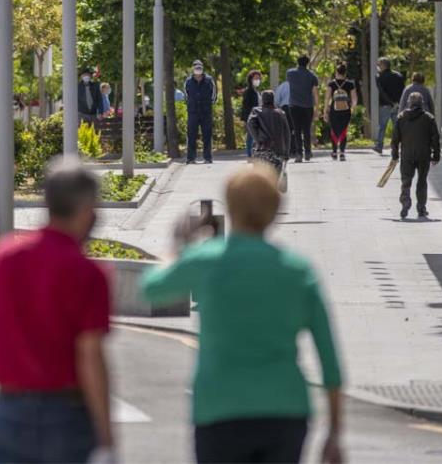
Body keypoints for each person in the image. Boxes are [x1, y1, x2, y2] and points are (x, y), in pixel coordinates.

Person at [140, 165, 344, 464]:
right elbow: (330, 363)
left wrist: (178, 248)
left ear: (231, 209)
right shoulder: (298, 272)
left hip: (220, 410)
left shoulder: (206, 262)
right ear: (275, 211)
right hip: (285, 411)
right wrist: (335, 433)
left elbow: (151, 289)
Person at [0, 157, 115, 463]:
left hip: (8, 411)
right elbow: (90, 356)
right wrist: (106, 437)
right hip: (67, 417)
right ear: (87, 209)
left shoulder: (2, 259)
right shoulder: (89, 273)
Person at [391, 92, 441, 220]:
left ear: (409, 103)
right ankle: (421, 208)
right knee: (422, 181)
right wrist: (436, 156)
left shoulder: (401, 117)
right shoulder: (429, 118)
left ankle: (405, 204)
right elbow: (435, 138)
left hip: (407, 155)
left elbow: (395, 139)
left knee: (406, 181)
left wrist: (395, 155)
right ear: (422, 103)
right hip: (423, 154)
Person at [247, 90, 291, 177]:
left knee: (260, 179)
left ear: (262, 100)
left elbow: (250, 124)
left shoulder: (256, 111)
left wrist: (257, 139)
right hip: (278, 152)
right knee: (274, 180)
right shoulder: (281, 113)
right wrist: (286, 154)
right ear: (273, 100)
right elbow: (287, 135)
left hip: (262, 150)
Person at [286, 55, 320, 163]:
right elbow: (315, 93)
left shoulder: (290, 73)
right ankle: (308, 152)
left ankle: (299, 154)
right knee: (306, 130)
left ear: (297, 62)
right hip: (308, 106)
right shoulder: (312, 76)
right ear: (308, 63)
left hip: (294, 106)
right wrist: (317, 108)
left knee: (296, 130)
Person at [184, 60, 217, 164]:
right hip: (193, 112)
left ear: (202, 68)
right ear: (193, 69)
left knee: (207, 134)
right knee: (191, 135)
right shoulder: (188, 81)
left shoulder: (209, 80)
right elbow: (186, 96)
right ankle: (190, 158)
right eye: (196, 67)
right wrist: (191, 104)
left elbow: (214, 95)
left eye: (199, 67)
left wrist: (208, 104)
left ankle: (208, 158)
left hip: (206, 112)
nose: (198, 69)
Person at [324, 64, 358, 162]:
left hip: (334, 111)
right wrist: (352, 108)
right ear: (345, 73)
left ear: (336, 72)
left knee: (334, 131)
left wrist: (325, 111)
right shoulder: (350, 84)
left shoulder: (331, 84)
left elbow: (327, 98)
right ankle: (342, 153)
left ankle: (334, 152)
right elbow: (354, 98)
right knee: (343, 131)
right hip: (346, 111)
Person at [373, 57, 405, 155]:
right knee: (397, 127)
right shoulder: (398, 75)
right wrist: (398, 103)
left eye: (378, 65)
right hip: (397, 105)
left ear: (383, 65)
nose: (377, 67)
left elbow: (382, 92)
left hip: (385, 105)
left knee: (382, 126)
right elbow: (403, 91)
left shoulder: (379, 76)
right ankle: (396, 147)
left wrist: (390, 102)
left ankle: (379, 146)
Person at [239, 70, 262, 158]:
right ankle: (249, 154)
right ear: (251, 79)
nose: (257, 80)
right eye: (255, 78)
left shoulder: (257, 91)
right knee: (250, 135)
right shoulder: (248, 91)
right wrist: (249, 117)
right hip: (251, 116)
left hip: (258, 116)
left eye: (258, 78)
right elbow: (246, 106)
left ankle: (255, 153)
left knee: (255, 135)